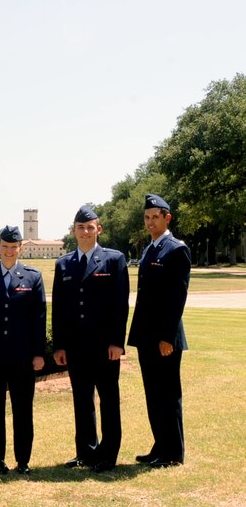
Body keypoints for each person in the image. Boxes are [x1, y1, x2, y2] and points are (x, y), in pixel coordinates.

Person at [52, 205, 130, 472]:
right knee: (82, 400)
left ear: (99, 229)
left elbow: (121, 304)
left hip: (105, 346)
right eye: (80, 227)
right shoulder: (63, 264)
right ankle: (85, 451)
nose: (85, 232)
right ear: (74, 231)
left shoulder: (114, 259)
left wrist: (117, 342)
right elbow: (59, 308)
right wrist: (59, 344)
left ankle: (108, 454)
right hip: (76, 347)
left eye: (90, 227)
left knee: (109, 400)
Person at [0, 225, 46, 475]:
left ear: (20, 248)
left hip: (22, 357)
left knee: (23, 410)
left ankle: (23, 460)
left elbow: (39, 318)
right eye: (5, 247)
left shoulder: (33, 276)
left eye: (14, 247)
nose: (9, 251)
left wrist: (38, 353)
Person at [128, 194, 191, 468]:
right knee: (153, 394)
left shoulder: (176, 249)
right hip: (146, 335)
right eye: (147, 217)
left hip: (164, 337)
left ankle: (173, 452)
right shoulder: (149, 249)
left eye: (156, 216)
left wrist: (167, 337)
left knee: (167, 394)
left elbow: (177, 297)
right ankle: (159, 446)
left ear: (167, 218)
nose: (150, 221)